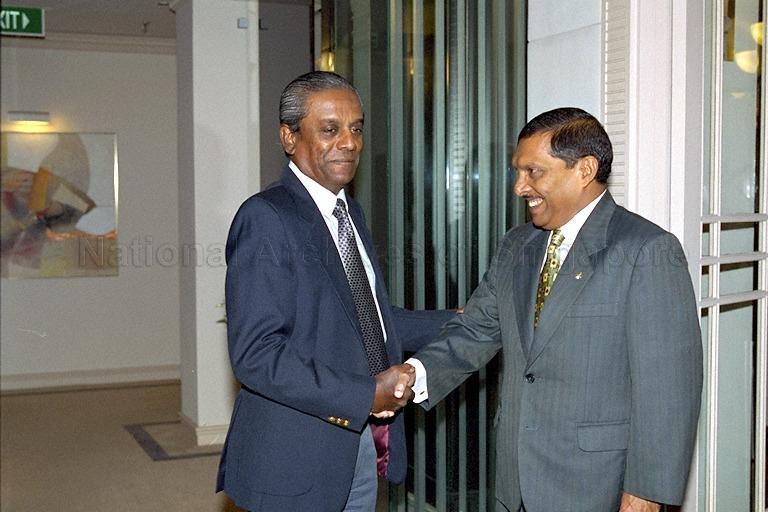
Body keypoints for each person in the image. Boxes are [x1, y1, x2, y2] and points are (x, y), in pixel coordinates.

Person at [404, 107, 703, 511]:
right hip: (515, 482)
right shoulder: (517, 245)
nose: (519, 187)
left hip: (597, 486)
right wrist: (413, 375)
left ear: (584, 170)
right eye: (518, 172)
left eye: (534, 172)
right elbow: (476, 329)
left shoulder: (647, 250)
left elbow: (668, 389)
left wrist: (645, 494)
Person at [215, 71, 454, 512]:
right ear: (289, 137)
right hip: (296, 455)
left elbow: (369, 320)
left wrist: (463, 320)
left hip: (358, 445)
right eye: (330, 129)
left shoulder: (349, 212)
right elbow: (256, 354)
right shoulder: (266, 217)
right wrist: (364, 394)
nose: (349, 142)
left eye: (356, 128)